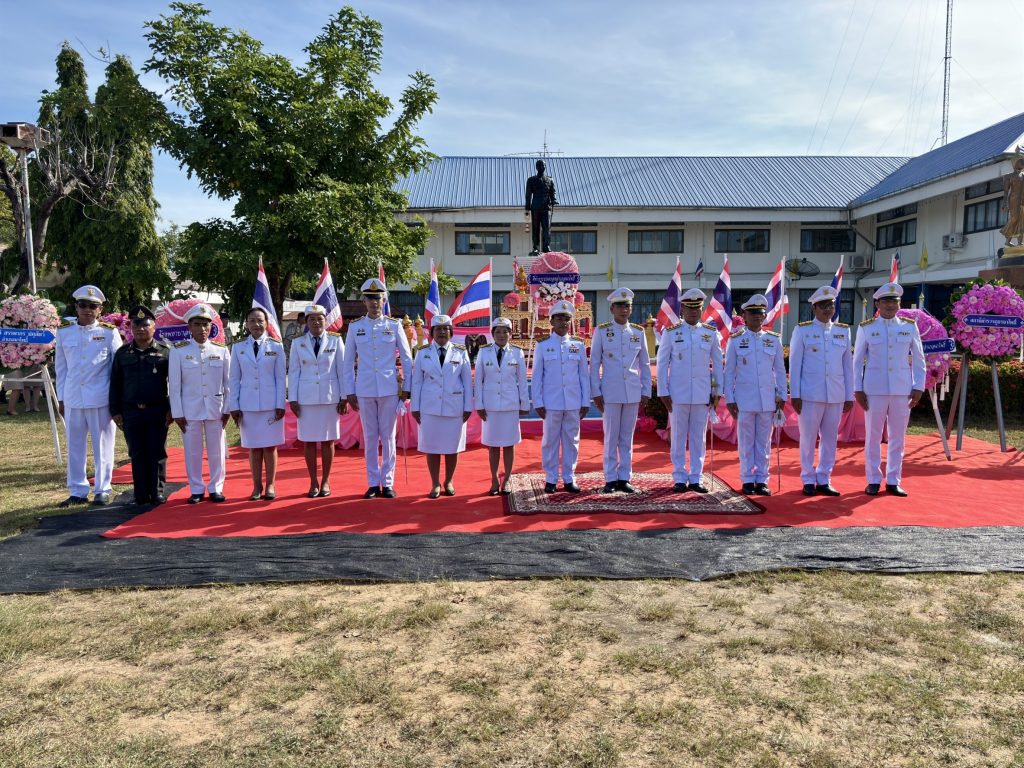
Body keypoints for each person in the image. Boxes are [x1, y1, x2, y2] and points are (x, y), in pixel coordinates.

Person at [853, 282, 926, 496]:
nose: (890, 305)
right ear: (877, 304)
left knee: (898, 438)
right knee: (873, 437)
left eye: (894, 301)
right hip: (874, 390)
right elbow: (857, 362)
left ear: (899, 304)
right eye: (885, 301)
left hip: (902, 390)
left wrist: (918, 386)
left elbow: (919, 359)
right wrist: (858, 389)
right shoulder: (867, 328)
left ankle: (894, 480)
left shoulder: (909, 326)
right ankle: (873, 479)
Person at [343, 277, 413, 499]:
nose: (374, 303)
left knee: (389, 437)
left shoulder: (394, 325)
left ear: (384, 301)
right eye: (370, 299)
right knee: (370, 437)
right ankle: (373, 483)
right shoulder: (355, 327)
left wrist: (407, 387)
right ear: (364, 301)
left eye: (378, 299)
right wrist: (349, 391)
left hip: (389, 388)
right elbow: (347, 362)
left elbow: (407, 358)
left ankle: (388, 482)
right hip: (364, 389)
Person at [54, 285, 122, 507]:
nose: (87, 310)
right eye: (83, 305)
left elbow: (117, 369)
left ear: (100, 310)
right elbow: (61, 369)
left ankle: (102, 489)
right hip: (73, 398)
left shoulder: (109, 333)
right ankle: (77, 490)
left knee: (103, 446)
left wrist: (116, 401)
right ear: (76, 307)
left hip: (101, 398)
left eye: (93, 306)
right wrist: (61, 398)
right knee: (74, 446)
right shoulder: (64, 332)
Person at [656, 288, 723, 493]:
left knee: (698, 438)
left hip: (702, 394)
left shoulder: (710, 333)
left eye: (697, 308)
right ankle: (679, 476)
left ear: (702, 309)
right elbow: (662, 363)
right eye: (689, 308)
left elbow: (718, 365)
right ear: (682, 309)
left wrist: (717, 392)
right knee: (677, 437)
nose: (693, 312)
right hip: (678, 394)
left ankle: (696, 477)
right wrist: (663, 391)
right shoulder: (671, 332)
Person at [788, 286, 854, 497]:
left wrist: (849, 395)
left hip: (835, 395)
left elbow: (848, 366)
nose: (828, 309)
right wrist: (795, 394)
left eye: (831, 305)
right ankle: (808, 478)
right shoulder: (802, 330)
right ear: (814, 308)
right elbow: (795, 365)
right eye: (823, 305)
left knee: (830, 439)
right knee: (808, 439)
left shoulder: (843, 331)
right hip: (810, 395)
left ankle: (824, 478)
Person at [724, 294, 787, 496]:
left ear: (764, 315)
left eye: (760, 313)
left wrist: (782, 395)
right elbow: (729, 373)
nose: (757, 316)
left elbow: (780, 370)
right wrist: (730, 399)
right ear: (744, 315)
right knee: (746, 442)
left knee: (764, 442)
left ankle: (762, 479)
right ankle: (747, 479)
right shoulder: (736, 341)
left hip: (767, 399)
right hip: (744, 400)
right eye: (753, 313)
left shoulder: (773, 340)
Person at [109, 306, 172, 505]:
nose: (140, 329)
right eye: (136, 325)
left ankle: (157, 491)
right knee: (136, 452)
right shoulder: (122, 353)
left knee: (157, 451)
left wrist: (172, 409)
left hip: (157, 409)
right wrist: (115, 411)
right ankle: (140, 494)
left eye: (145, 325)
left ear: (154, 328)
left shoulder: (165, 352)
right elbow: (115, 383)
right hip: (131, 411)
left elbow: (175, 384)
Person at [590, 287, 651, 493]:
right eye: (620, 306)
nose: (624, 310)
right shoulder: (602, 331)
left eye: (627, 306)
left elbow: (644, 364)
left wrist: (646, 391)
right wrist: (596, 392)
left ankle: (624, 477)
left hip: (632, 391)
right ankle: (610, 478)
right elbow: (594, 364)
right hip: (610, 392)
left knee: (627, 437)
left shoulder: (638, 332)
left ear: (631, 309)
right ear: (612, 309)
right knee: (611, 436)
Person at [169, 304, 232, 504]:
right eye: (197, 324)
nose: (202, 329)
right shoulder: (178, 351)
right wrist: (177, 413)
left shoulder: (221, 350)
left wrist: (227, 409)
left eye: (205, 324)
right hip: (190, 409)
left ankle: (216, 488)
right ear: (189, 327)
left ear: (211, 326)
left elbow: (229, 383)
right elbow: (174, 385)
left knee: (217, 451)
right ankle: (196, 488)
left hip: (216, 407)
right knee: (192, 451)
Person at [410, 314, 473, 498]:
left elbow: (467, 381)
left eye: (446, 329)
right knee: (432, 447)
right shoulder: (423, 352)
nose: (442, 332)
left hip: (454, 406)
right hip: (429, 407)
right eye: (438, 329)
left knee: (452, 447)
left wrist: (468, 406)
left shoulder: (460, 352)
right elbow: (417, 382)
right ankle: (435, 483)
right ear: (432, 332)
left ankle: (449, 481)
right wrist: (415, 406)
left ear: (451, 332)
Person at [229, 307, 286, 501]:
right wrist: (234, 405)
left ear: (267, 323)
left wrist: (280, 404)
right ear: (246, 324)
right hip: (248, 406)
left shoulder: (276, 346)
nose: (256, 324)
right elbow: (234, 379)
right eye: (252, 320)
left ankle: (270, 485)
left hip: (271, 405)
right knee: (254, 448)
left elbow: (280, 378)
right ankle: (256, 486)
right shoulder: (238, 347)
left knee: (270, 447)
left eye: (260, 320)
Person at [532, 300, 590, 494]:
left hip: (573, 401)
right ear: (551, 322)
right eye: (559, 319)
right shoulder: (543, 345)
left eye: (566, 319)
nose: (563, 322)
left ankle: (569, 478)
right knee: (550, 441)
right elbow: (537, 376)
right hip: (551, 402)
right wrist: (538, 401)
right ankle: (550, 478)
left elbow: (583, 375)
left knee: (572, 441)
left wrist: (585, 401)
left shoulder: (577, 345)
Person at [289, 304, 346, 498]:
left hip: (330, 398)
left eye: (319, 318)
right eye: (312, 319)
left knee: (328, 441)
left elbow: (342, 370)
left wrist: (344, 397)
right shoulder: (298, 343)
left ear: (325, 320)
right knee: (309, 442)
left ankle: (326, 481)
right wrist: (293, 398)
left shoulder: (336, 341)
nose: (316, 322)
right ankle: (313, 481)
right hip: (306, 399)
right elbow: (294, 372)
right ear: (306, 322)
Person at [474, 317, 530, 495]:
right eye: (497, 331)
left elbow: (522, 380)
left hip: (510, 405)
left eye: (505, 331)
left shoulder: (517, 352)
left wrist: (524, 403)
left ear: (510, 334)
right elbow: (478, 381)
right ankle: (494, 479)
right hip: (490, 406)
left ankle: (507, 479)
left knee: (509, 444)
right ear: (492, 334)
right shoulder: (484, 352)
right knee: (492, 445)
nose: (501, 335)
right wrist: (479, 404)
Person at [525, 159, 557, 255]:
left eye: (543, 165)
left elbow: (553, 192)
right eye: (539, 165)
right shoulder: (531, 180)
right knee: (535, 228)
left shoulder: (550, 180)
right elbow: (528, 194)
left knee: (546, 228)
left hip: (546, 207)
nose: (541, 167)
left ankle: (546, 246)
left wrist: (554, 200)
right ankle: (535, 247)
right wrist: (527, 207)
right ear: (536, 167)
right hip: (535, 207)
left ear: (545, 167)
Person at [1000, 157, 1024, 247]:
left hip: (1022, 199)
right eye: (1021, 161)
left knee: (1022, 220)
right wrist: (1004, 203)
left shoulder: (1023, 175)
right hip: (1014, 199)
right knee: (1014, 219)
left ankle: (1019, 241)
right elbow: (1006, 192)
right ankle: (1007, 238)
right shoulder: (1008, 176)